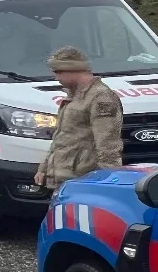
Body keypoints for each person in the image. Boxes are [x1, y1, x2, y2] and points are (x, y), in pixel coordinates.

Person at [35, 47, 124, 190]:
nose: (56, 78)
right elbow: (62, 137)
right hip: (65, 180)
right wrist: (44, 168)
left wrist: (108, 184)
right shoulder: (73, 97)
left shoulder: (101, 97)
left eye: (58, 72)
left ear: (73, 69)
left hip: (84, 182)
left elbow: (108, 146)